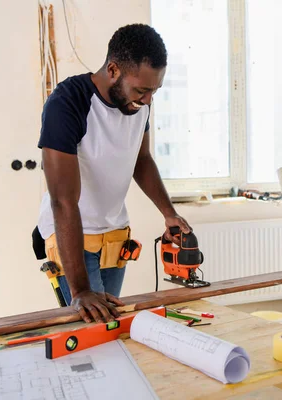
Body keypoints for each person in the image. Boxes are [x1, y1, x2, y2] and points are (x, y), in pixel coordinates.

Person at [35, 24, 192, 324]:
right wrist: (80, 290)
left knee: (109, 326)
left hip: (114, 236)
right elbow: (63, 202)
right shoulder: (68, 103)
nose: (147, 101)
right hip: (73, 237)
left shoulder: (139, 105)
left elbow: (141, 159)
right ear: (113, 69)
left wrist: (168, 212)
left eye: (154, 91)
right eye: (142, 90)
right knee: (92, 328)